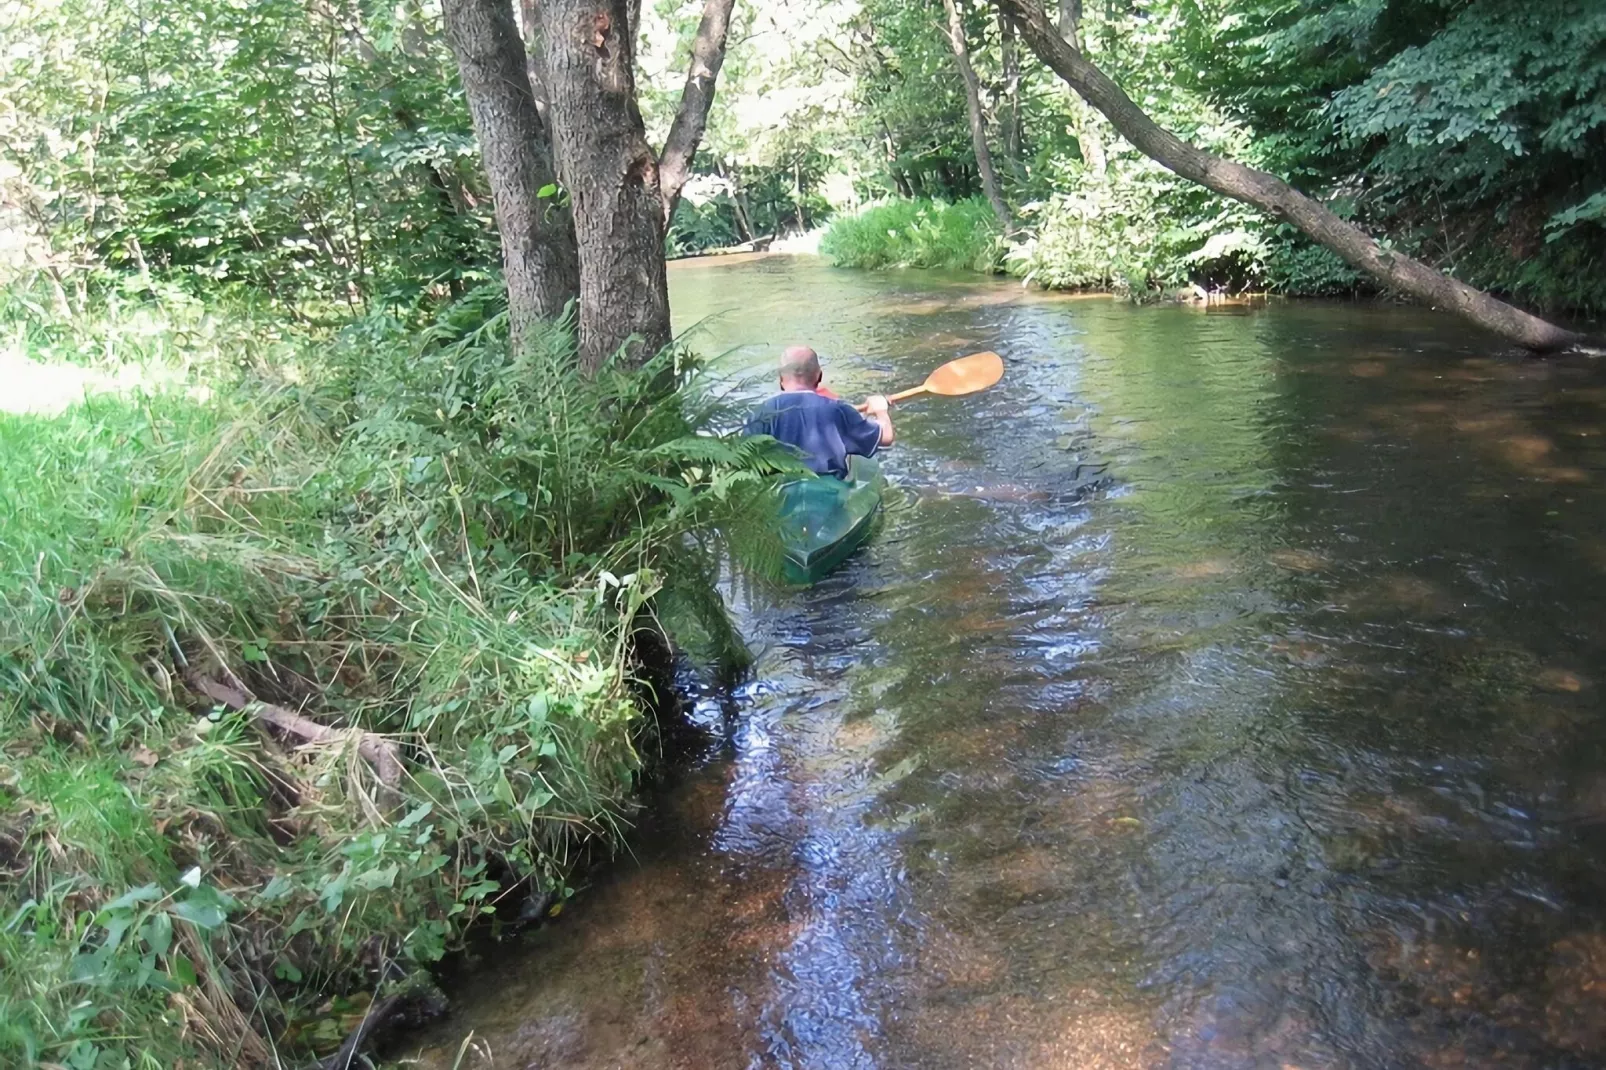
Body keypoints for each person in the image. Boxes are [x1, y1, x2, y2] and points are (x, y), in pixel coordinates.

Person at [746, 346, 894, 478]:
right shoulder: (838, 409)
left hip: (778, 489)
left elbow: (744, 459)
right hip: (827, 486)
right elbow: (886, 437)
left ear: (780, 378)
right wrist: (881, 410)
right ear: (819, 376)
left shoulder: (760, 413)